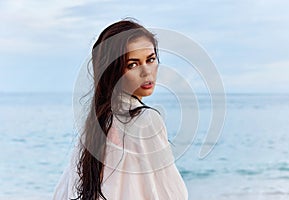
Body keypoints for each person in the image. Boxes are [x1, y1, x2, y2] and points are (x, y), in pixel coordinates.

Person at [53, 19, 188, 200]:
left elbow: (62, 193)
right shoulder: (145, 119)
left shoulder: (95, 124)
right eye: (132, 64)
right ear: (112, 71)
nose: (147, 72)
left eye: (151, 59)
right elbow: (173, 194)